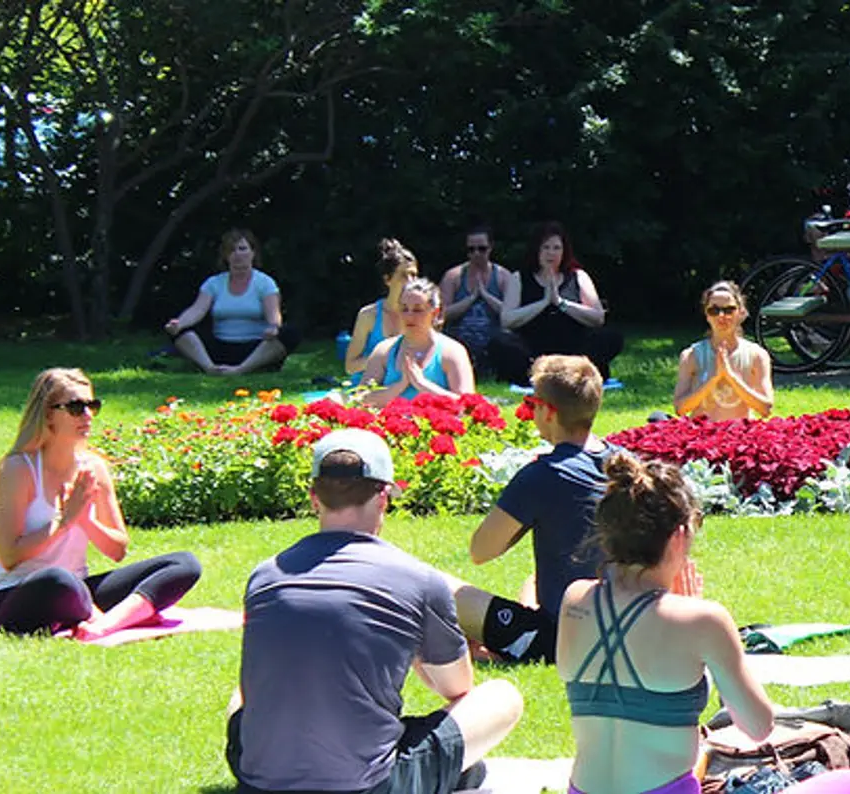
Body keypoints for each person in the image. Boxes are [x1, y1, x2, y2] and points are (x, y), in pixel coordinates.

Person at [229, 428, 523, 794]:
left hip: (259, 780)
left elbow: (253, 685)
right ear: (383, 498)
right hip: (367, 785)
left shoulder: (265, 574)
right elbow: (457, 688)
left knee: (242, 696)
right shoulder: (419, 580)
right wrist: (416, 650)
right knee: (502, 697)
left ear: (314, 498)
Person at [558, 454, 850, 794]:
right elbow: (757, 726)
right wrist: (698, 621)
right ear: (679, 536)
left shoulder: (575, 600)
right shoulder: (703, 619)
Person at [0, 369, 201, 639]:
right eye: (75, 407)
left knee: (184, 564)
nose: (87, 415)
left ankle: (104, 625)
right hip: (20, 594)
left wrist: (86, 520)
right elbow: (9, 557)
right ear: (48, 414)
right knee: (58, 580)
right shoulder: (19, 468)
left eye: (91, 405)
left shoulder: (93, 467)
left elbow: (118, 549)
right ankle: (114, 615)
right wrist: (63, 521)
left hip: (78, 590)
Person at [450, 355, 616, 663]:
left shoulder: (543, 475)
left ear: (549, 412)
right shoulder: (625, 463)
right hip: (622, 625)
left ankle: (512, 647)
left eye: (531, 403)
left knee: (439, 588)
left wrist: (525, 518)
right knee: (534, 580)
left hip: (561, 636)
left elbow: (481, 550)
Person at [489, 222, 626, 386]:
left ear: (564, 251)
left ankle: (575, 373)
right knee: (499, 342)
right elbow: (507, 319)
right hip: (533, 350)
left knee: (611, 336)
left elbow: (598, 317)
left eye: (556, 248)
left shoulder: (578, 276)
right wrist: (544, 302)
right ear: (537, 250)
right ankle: (538, 376)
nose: (551, 253)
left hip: (574, 351)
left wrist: (561, 303)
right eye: (546, 248)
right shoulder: (519, 278)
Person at [162, 228, 302, 375]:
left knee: (289, 332)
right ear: (225, 255)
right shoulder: (214, 283)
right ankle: (210, 368)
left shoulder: (265, 282)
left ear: (253, 253)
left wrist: (273, 327)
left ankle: (241, 369)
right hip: (220, 346)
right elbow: (197, 310)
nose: (237, 254)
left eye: (242, 249)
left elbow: (274, 314)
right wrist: (179, 324)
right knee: (180, 331)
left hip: (254, 348)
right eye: (232, 250)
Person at [363, 278, 479, 409]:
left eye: (418, 310)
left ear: (434, 313)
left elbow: (467, 406)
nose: (410, 316)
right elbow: (361, 399)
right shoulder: (384, 350)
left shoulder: (453, 352)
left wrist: (422, 384)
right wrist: (400, 385)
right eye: (404, 309)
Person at [674, 281, 775, 421]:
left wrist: (730, 377)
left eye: (729, 310)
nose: (721, 316)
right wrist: (713, 379)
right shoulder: (690, 356)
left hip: (740, 436)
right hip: (700, 436)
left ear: (741, 312)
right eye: (714, 310)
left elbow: (765, 408)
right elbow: (680, 408)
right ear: (707, 315)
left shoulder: (757, 355)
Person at [441, 224, 515, 376]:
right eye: (471, 250)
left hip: (493, 341)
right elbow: (441, 314)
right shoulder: (453, 276)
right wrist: (471, 298)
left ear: (490, 248)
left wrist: (486, 296)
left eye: (481, 249)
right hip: (460, 339)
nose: (476, 254)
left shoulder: (503, 276)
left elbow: (512, 315)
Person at [345, 240, 420, 383]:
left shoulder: (421, 314)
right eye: (403, 276)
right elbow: (350, 366)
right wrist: (384, 358)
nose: (411, 282)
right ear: (388, 280)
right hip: (369, 386)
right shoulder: (368, 315)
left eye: (414, 275)